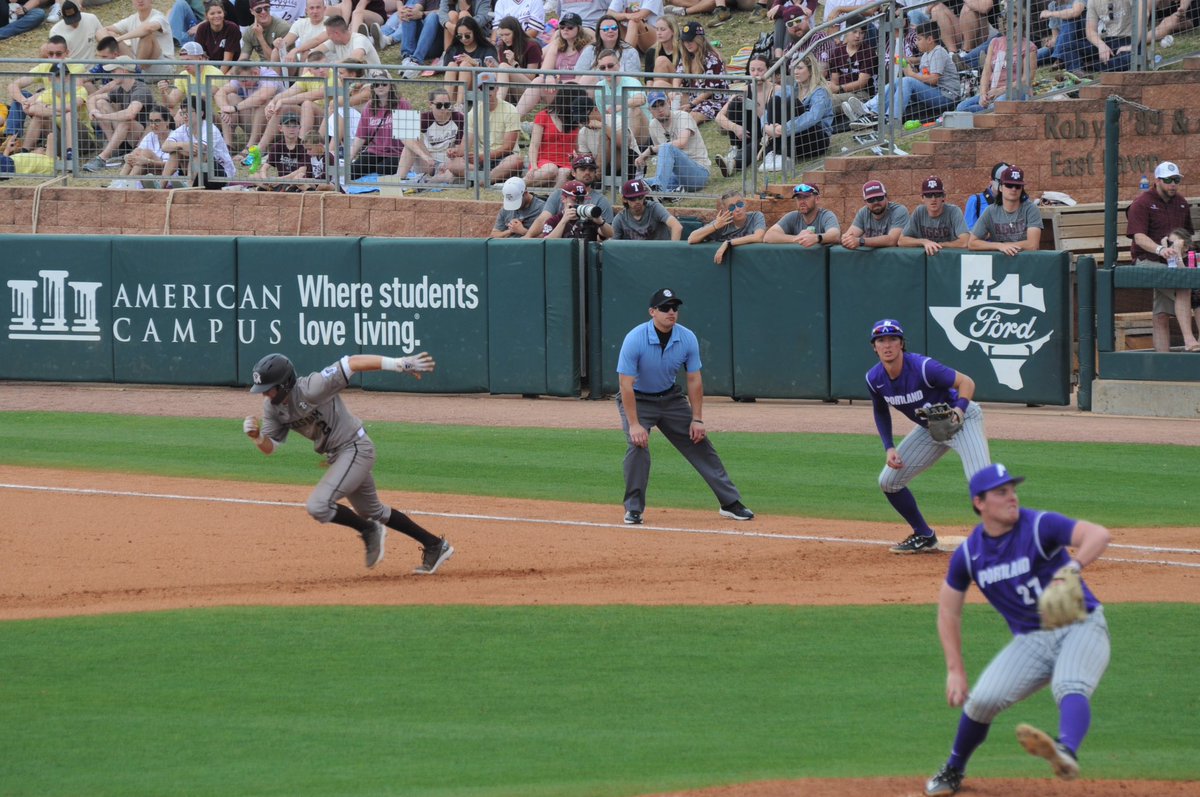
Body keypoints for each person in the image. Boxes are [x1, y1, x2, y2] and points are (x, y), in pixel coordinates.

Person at [922, 463, 1112, 797]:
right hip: (1032, 639)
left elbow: (1098, 534)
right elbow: (948, 611)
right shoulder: (969, 555)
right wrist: (955, 670)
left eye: (1013, 490)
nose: (1012, 497)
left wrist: (1073, 565)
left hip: (1081, 624)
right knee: (982, 701)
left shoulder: (1039, 525)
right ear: (979, 503)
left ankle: (1065, 751)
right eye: (1001, 492)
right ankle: (953, 769)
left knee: (1071, 683)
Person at [243, 352, 455, 575]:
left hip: (355, 447)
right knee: (372, 510)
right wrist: (257, 437)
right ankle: (435, 545)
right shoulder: (272, 408)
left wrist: (399, 364)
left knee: (318, 505)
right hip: (339, 455)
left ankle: (368, 531)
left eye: (269, 388)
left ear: (285, 384)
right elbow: (270, 447)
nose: (265, 394)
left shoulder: (312, 387)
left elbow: (351, 363)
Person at [616, 288, 755, 526]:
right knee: (638, 446)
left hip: (670, 399)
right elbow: (625, 385)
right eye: (665, 308)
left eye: (675, 308)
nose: (671, 312)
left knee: (700, 442)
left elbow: (694, 379)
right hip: (638, 400)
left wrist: (697, 418)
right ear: (652, 312)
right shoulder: (635, 338)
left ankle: (730, 503)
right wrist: (635, 424)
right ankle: (634, 508)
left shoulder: (687, 337)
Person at [866, 318, 990, 554]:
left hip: (962, 421)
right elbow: (880, 410)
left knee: (981, 482)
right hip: (930, 428)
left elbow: (967, 382)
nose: (887, 344)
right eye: (881, 340)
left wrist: (960, 410)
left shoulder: (924, 367)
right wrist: (889, 447)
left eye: (893, 339)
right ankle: (924, 535)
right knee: (889, 481)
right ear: (874, 346)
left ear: (902, 343)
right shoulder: (874, 379)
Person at [1127, 160, 1198, 352]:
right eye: (1168, 180)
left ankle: (1162, 362)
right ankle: (1190, 339)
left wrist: (1182, 247)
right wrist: (1160, 249)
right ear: (1157, 180)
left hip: (1175, 262)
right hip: (1146, 261)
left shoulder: (1181, 203)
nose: (1173, 184)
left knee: (1161, 314)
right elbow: (1139, 237)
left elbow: (1187, 235)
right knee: (1184, 284)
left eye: (1176, 180)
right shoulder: (1141, 203)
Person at [83, 57, 155, 173]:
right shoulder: (120, 89)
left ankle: (102, 158)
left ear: (123, 71)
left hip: (142, 138)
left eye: (113, 70)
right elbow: (93, 98)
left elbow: (130, 114)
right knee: (101, 103)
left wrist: (102, 116)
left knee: (126, 121)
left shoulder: (141, 89)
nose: (111, 74)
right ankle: (114, 149)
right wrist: (93, 111)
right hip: (128, 133)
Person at [761, 53, 831, 172]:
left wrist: (785, 128)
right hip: (795, 138)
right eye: (794, 68)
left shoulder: (820, 92)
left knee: (791, 102)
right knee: (776, 99)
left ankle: (784, 155)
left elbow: (813, 117)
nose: (795, 72)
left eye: (800, 68)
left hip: (817, 139)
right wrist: (766, 127)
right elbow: (767, 110)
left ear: (810, 70)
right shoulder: (792, 88)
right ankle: (774, 153)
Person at [713, 52, 774, 177]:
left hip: (768, 132)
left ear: (769, 71)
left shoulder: (775, 90)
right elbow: (719, 116)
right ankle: (735, 148)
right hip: (746, 133)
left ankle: (733, 164)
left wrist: (755, 106)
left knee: (758, 142)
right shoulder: (745, 90)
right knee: (736, 102)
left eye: (760, 70)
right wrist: (735, 127)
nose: (756, 74)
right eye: (752, 70)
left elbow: (769, 119)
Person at [638, 89, 709, 194]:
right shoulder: (653, 125)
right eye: (655, 107)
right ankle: (669, 191)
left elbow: (682, 142)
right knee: (639, 184)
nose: (660, 109)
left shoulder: (683, 116)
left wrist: (650, 150)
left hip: (698, 173)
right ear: (650, 110)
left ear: (669, 103)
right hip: (675, 176)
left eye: (662, 104)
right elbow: (662, 156)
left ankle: (660, 191)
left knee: (667, 147)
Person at [526, 152, 615, 234]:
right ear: (573, 172)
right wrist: (528, 237)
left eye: (591, 170)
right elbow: (543, 219)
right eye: (583, 169)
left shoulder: (601, 200)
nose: (587, 172)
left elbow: (608, 236)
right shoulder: (558, 194)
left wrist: (599, 221)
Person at [954, 26, 1036, 113]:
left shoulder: (1029, 47)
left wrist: (1000, 91)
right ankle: (985, 112)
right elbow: (986, 71)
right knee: (961, 107)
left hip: (1016, 91)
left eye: (1015, 24)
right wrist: (983, 94)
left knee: (998, 103)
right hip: (992, 91)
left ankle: (984, 113)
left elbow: (1026, 80)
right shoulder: (995, 42)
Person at [522, 89, 592, 189]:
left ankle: (551, 198)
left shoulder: (576, 120)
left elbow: (577, 148)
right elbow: (534, 145)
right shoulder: (543, 115)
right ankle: (517, 184)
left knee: (564, 173)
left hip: (565, 162)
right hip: (544, 161)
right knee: (551, 169)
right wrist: (533, 166)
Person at [393, 86, 465, 184]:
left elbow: (460, 149)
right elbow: (402, 134)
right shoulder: (425, 117)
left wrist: (451, 160)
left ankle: (430, 181)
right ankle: (398, 180)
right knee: (410, 144)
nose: (443, 109)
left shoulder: (458, 118)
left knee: (456, 171)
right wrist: (424, 156)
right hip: (429, 161)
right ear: (430, 104)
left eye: (447, 105)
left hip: (448, 163)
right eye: (439, 105)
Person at [968, 164, 1042, 256]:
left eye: (1018, 186)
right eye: (1009, 185)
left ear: (1022, 189)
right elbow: (972, 243)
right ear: (1000, 187)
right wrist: (999, 246)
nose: (1014, 189)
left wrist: (1006, 246)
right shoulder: (990, 211)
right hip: (999, 263)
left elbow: (1033, 245)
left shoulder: (1031, 209)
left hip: (1025, 262)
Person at [347, 76, 412, 180]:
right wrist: (349, 157)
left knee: (383, 169)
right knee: (352, 171)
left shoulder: (403, 104)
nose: (380, 87)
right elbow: (361, 135)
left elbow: (410, 136)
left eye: (384, 84)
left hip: (397, 152)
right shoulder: (369, 106)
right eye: (377, 84)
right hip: (375, 151)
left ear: (391, 86)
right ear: (373, 88)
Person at [687, 188, 765, 264]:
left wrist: (728, 243)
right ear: (725, 211)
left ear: (745, 204)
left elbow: (759, 237)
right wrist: (715, 226)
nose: (737, 209)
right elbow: (691, 238)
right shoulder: (721, 224)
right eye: (732, 207)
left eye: (740, 204)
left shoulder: (756, 216)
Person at [899, 175, 970, 254]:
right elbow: (901, 241)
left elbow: (965, 241)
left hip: (950, 258)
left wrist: (938, 245)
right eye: (929, 195)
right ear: (922, 198)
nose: (933, 199)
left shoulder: (954, 211)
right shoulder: (919, 211)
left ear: (943, 197)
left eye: (937, 195)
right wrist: (924, 242)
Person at [674, 21, 725, 126]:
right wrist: (674, 92)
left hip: (713, 100)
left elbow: (709, 91)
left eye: (690, 40)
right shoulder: (687, 57)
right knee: (663, 92)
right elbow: (677, 76)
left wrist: (691, 104)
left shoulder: (712, 59)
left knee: (689, 118)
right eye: (685, 41)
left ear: (699, 39)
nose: (687, 44)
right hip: (692, 98)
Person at [99, 0, 174, 69]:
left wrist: (120, 38)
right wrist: (111, 43)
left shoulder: (159, 17)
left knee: (148, 35)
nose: (140, 0)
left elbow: (149, 28)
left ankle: (136, 73)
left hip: (162, 64)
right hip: (137, 61)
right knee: (110, 34)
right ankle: (132, 70)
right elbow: (101, 31)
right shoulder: (131, 19)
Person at [111, 103, 172, 187]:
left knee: (146, 153)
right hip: (149, 172)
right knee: (137, 153)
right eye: (151, 122)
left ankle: (126, 184)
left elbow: (172, 166)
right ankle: (119, 183)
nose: (153, 125)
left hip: (167, 175)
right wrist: (128, 157)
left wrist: (149, 162)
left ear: (167, 121)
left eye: (157, 121)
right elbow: (137, 153)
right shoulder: (150, 136)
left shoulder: (174, 136)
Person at [764, 182, 840, 247]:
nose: (802, 202)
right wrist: (797, 238)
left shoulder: (826, 215)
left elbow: (835, 235)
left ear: (817, 199)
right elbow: (768, 236)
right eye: (799, 198)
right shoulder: (793, 216)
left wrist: (816, 238)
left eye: (806, 197)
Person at [841, 179, 910, 250]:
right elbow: (849, 237)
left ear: (886, 197)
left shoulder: (899, 211)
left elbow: (892, 240)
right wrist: (847, 239)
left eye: (879, 197)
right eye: (870, 199)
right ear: (865, 202)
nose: (875, 202)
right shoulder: (863, 212)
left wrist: (861, 241)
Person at [541, 178, 613, 240]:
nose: (578, 203)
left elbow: (610, 234)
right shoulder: (553, 220)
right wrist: (563, 221)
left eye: (581, 200)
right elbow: (548, 243)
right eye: (575, 200)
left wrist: (600, 222)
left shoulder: (588, 218)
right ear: (563, 199)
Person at [612, 177, 683, 240]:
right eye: (632, 198)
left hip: (660, 253)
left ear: (644, 196)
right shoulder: (620, 219)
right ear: (625, 199)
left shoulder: (655, 208)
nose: (637, 201)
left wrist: (672, 252)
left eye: (640, 197)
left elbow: (677, 227)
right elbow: (612, 244)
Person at [386, 0, 442, 76]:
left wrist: (422, 14)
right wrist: (409, 11)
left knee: (432, 16)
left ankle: (416, 61)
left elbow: (445, 12)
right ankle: (407, 57)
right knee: (409, 11)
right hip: (423, 39)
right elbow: (419, 5)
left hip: (438, 41)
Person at [576, 13, 640, 73]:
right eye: (606, 29)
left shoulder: (630, 51)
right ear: (599, 32)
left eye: (614, 28)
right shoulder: (590, 50)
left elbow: (633, 80)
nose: (610, 31)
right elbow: (579, 75)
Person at [193, 0, 242, 69]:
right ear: (207, 16)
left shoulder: (232, 28)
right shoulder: (202, 28)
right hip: (210, 67)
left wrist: (218, 78)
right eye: (212, 13)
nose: (216, 16)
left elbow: (227, 61)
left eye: (219, 12)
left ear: (224, 13)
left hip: (231, 68)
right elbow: (201, 56)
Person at [963, 161, 1006, 229]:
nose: (1004, 187)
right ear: (991, 180)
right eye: (1001, 183)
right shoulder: (976, 201)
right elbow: (968, 233)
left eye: (1009, 185)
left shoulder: (1017, 200)